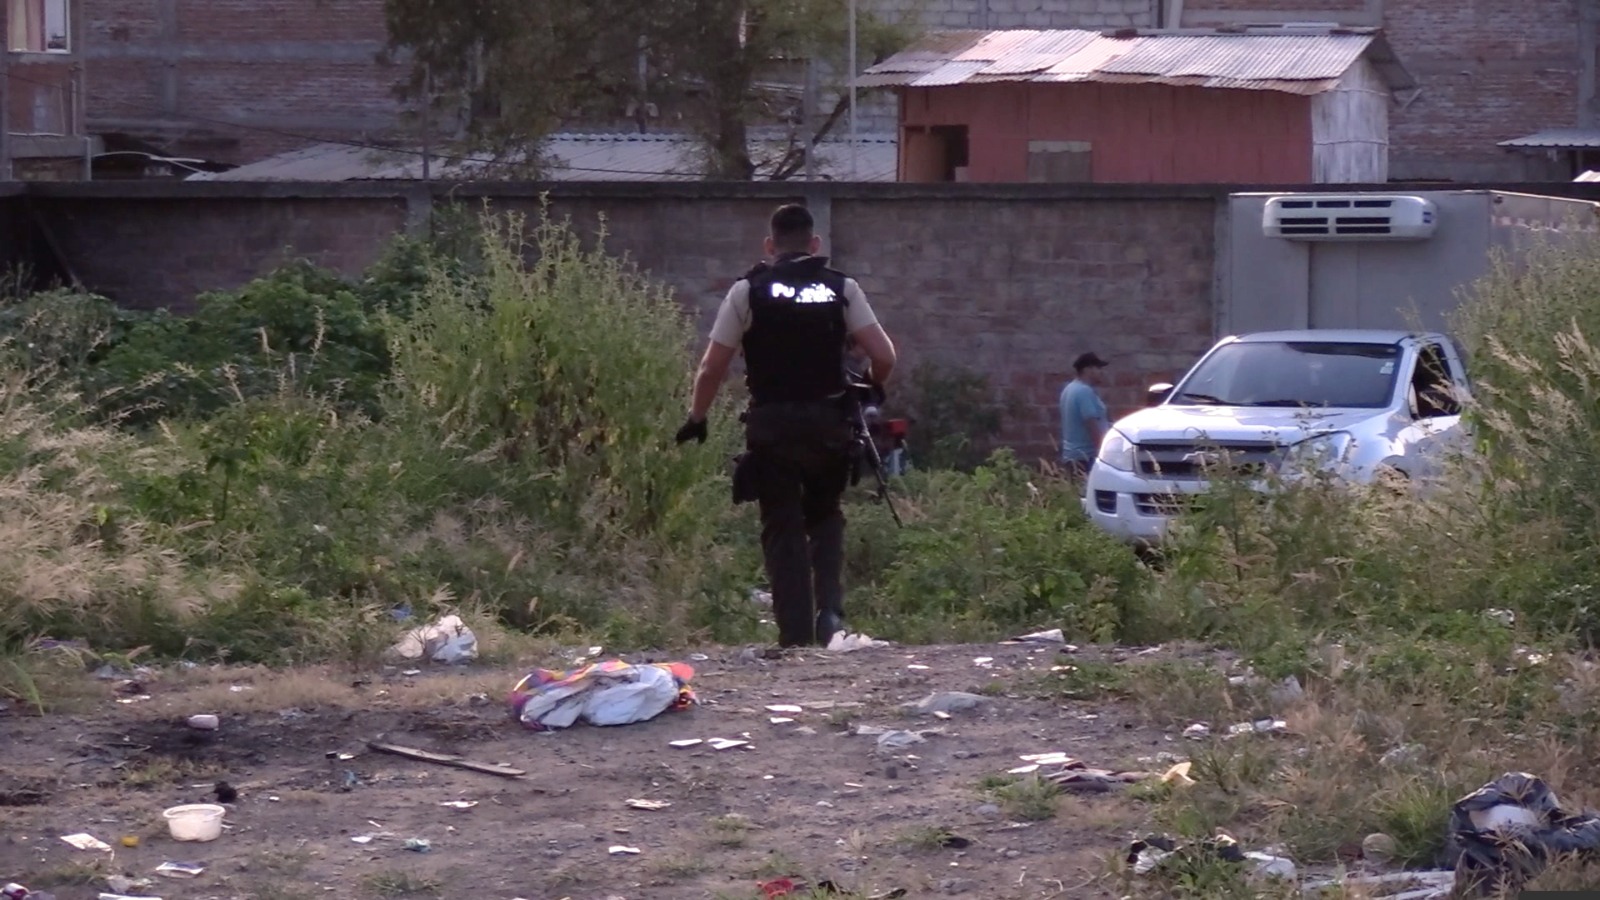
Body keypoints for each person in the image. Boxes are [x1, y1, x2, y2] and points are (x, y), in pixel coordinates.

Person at [675, 203, 897, 649]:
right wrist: (871, 388)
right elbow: (885, 356)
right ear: (815, 245)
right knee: (826, 514)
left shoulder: (748, 291)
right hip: (829, 424)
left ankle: (795, 637)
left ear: (770, 246)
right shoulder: (841, 288)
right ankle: (829, 615)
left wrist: (697, 417)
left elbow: (712, 367)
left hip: (773, 426)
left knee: (782, 524)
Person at [1059, 352, 1110, 478]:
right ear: (1088, 370)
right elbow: (1091, 424)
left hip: (1073, 457)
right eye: (1098, 368)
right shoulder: (1084, 392)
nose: (1101, 372)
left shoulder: (1069, 389)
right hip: (1086, 458)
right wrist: (1104, 454)